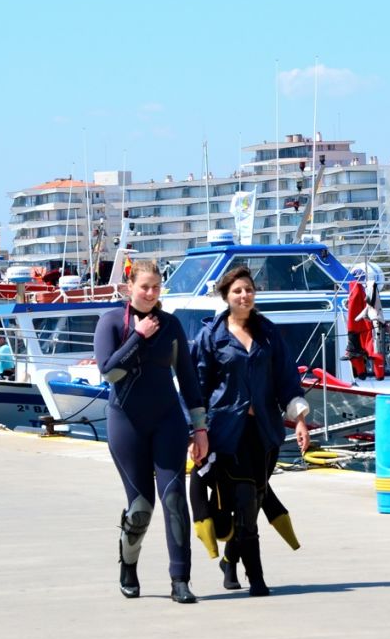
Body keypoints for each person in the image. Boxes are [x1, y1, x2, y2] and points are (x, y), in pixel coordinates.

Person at [190, 266, 311, 596]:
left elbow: (287, 380)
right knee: (244, 499)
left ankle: (230, 559)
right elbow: (197, 387)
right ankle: (256, 578)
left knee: (250, 502)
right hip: (226, 433)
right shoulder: (210, 337)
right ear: (226, 297)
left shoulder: (269, 334)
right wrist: (196, 431)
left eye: (249, 290)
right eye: (237, 291)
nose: (244, 296)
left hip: (265, 433)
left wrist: (299, 419)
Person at [93, 259, 207, 605]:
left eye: (156, 287)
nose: (151, 293)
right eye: (144, 287)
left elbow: (188, 380)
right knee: (141, 506)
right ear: (129, 287)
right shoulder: (111, 322)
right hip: (126, 422)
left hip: (168, 420)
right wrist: (138, 338)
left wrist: (200, 428)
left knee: (174, 499)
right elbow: (109, 372)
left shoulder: (170, 325)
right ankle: (128, 566)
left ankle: (180, 579)